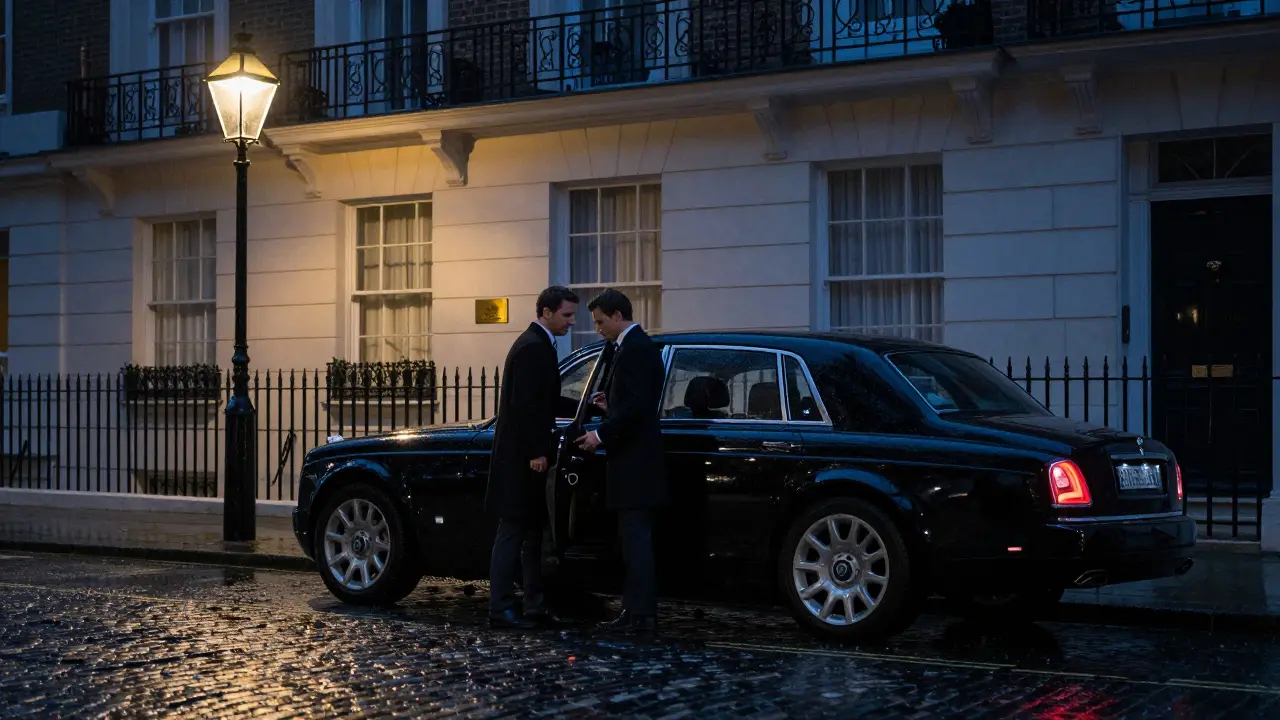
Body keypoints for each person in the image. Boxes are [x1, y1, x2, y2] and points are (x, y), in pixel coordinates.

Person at [485, 285, 579, 629]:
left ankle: (533, 605)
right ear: (546, 312)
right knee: (512, 532)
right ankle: (500, 607)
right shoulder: (532, 347)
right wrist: (536, 452)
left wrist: (586, 406)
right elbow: (524, 406)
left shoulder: (538, 344)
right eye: (566, 315)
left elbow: (545, 400)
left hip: (525, 456)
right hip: (521, 459)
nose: (571, 321)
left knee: (531, 535)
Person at [575, 288, 667, 633]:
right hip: (633, 460)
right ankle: (634, 611)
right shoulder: (632, 347)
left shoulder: (636, 349)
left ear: (617, 316)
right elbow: (632, 404)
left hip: (635, 463)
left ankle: (640, 614)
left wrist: (599, 434)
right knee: (631, 540)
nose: (598, 328)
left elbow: (638, 409)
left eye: (600, 322)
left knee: (636, 541)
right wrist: (609, 406)